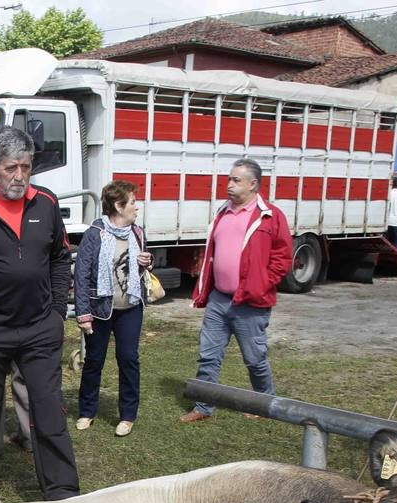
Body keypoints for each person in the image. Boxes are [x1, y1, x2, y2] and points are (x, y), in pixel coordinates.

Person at [0, 126, 77, 503]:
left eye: (25, 167)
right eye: (11, 168)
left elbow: (60, 258)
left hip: (40, 327)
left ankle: (62, 491)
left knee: (48, 407)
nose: (19, 176)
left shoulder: (46, 203)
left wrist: (58, 312)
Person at [180, 158, 292, 424]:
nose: (229, 185)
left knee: (254, 358)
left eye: (236, 180)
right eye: (229, 179)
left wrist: (262, 283)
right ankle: (203, 406)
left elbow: (283, 257)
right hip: (219, 298)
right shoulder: (223, 212)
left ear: (253, 184)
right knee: (208, 354)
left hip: (250, 301)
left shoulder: (270, 216)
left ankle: (264, 404)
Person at [74, 180, 153, 438]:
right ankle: (87, 411)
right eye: (132, 202)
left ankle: (128, 415)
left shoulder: (137, 233)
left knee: (128, 358)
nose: (136, 207)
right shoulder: (94, 234)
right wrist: (83, 314)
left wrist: (145, 262)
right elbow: (82, 276)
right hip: (100, 309)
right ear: (118, 206)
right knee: (94, 360)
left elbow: (137, 268)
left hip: (130, 307)